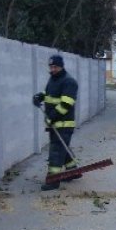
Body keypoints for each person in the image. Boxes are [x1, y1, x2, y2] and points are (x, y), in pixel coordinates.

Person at [33, 54, 80, 191]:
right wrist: (39, 96)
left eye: (55, 67)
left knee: (56, 151)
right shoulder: (53, 79)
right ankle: (73, 171)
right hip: (55, 123)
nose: (52, 69)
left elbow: (66, 104)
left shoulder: (69, 82)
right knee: (62, 148)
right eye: (51, 67)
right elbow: (48, 92)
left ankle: (53, 180)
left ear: (61, 66)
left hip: (64, 124)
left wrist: (52, 116)